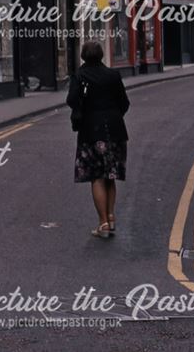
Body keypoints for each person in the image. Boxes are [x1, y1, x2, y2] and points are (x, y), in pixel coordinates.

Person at [67, 41, 130, 239]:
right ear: (101, 55)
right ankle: (111, 218)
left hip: (91, 132)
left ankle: (102, 223)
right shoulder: (113, 75)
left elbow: (71, 100)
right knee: (110, 175)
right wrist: (113, 116)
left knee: (96, 176)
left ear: (84, 57)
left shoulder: (80, 76)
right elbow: (124, 103)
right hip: (115, 130)